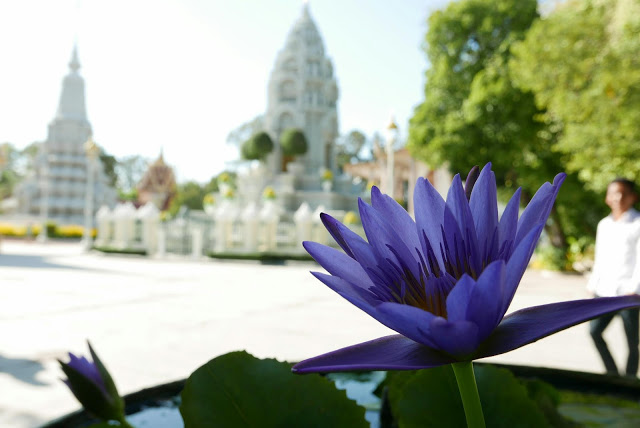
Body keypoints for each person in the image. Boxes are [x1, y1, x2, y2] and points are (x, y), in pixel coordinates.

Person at [588, 178, 640, 376]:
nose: (617, 197)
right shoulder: (604, 224)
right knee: (594, 331)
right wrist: (593, 283)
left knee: (632, 342)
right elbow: (600, 257)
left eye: (622, 193)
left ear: (633, 197)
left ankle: (629, 380)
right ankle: (612, 374)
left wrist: (634, 289)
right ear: (607, 198)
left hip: (628, 293)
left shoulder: (637, 223)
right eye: (612, 193)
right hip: (605, 291)